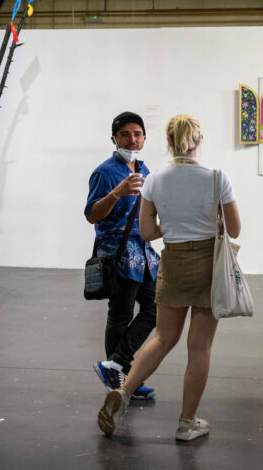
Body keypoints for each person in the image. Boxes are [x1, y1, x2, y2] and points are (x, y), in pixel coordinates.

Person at [97, 114, 241, 441]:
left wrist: (173, 227)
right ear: (198, 140)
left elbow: (147, 233)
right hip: (209, 264)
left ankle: (123, 392)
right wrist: (211, 225)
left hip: (173, 261)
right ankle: (187, 423)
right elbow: (233, 229)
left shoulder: (154, 180)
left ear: (169, 142)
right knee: (199, 347)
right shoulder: (218, 177)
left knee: (163, 337)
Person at [84, 111, 160, 401]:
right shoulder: (105, 172)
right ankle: (121, 380)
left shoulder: (145, 169)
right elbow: (92, 214)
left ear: (144, 138)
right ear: (114, 138)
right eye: (126, 134)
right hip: (119, 253)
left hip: (145, 253)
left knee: (155, 311)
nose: (133, 139)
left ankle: (115, 366)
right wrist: (115, 193)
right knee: (121, 314)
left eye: (137, 133)